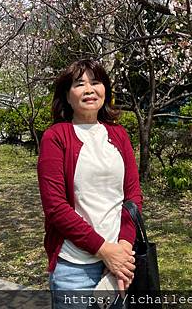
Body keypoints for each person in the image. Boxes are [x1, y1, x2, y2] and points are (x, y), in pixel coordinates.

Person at [37, 58, 142, 308]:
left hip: (117, 266)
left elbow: (133, 197)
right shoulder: (56, 137)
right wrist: (105, 250)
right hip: (75, 269)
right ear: (67, 95)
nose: (89, 89)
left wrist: (123, 250)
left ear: (105, 90)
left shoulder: (119, 135)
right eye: (79, 84)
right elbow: (55, 208)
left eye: (95, 82)